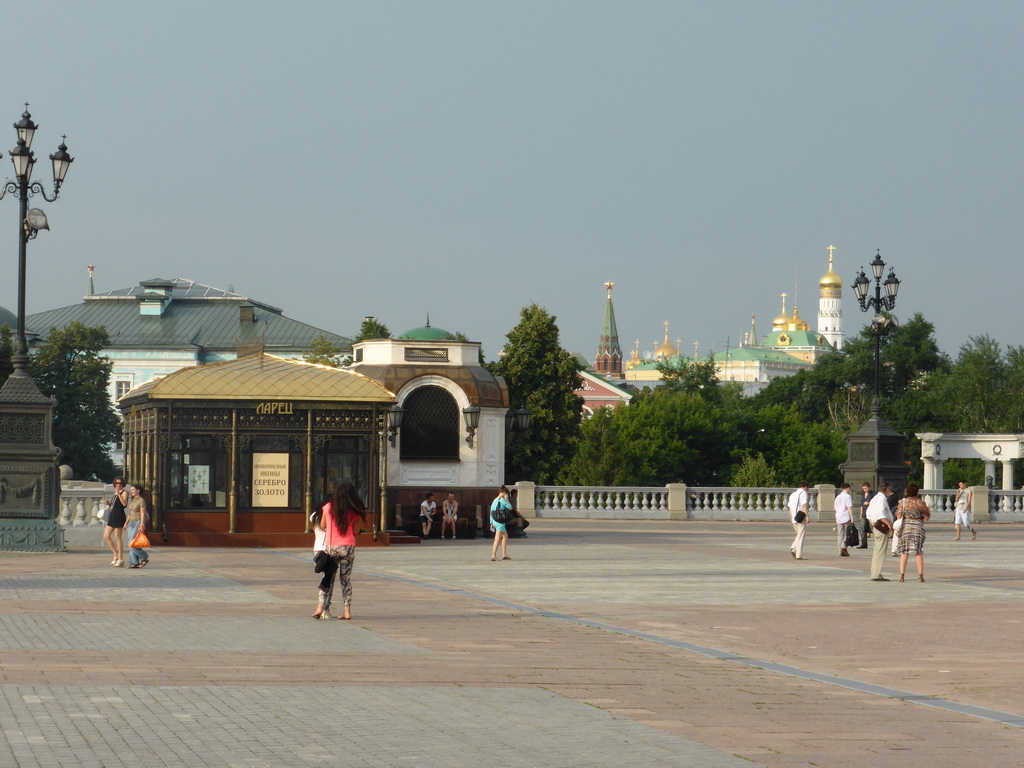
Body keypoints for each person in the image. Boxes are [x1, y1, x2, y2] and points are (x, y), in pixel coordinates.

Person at [317, 482, 368, 620]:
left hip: (331, 547)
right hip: (348, 547)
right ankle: (347, 611)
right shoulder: (354, 511)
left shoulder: (328, 507)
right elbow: (356, 531)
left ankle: (320, 607)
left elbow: (322, 525)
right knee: (345, 580)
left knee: (327, 578)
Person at [896, 482, 931, 583]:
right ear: (917, 492)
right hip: (917, 527)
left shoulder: (903, 502)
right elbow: (927, 516)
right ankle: (920, 575)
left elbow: (898, 515)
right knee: (918, 552)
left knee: (904, 552)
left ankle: (901, 575)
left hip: (906, 527)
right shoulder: (920, 503)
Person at [310, 503, 338, 619]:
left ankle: (323, 607)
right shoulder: (332, 514)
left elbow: (314, 529)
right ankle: (325, 608)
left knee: (325, 578)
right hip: (328, 550)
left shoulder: (313, 516)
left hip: (317, 551)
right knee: (328, 580)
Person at [865, 482, 894, 581]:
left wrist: (872, 523)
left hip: (876, 527)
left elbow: (868, 513)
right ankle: (876, 574)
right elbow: (881, 514)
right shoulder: (881, 499)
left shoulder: (874, 498)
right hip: (882, 527)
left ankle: (875, 572)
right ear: (887, 490)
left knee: (877, 550)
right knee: (880, 551)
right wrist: (889, 525)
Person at [103, 477, 129, 568]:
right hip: (113, 514)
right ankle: (116, 554)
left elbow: (124, 504)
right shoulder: (115, 492)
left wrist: (118, 494)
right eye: (117, 483)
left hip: (119, 515)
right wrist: (108, 503)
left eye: (120, 483)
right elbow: (114, 505)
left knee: (117, 537)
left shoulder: (124, 492)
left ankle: (121, 558)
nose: (118, 485)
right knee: (106, 536)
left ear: (123, 484)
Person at [125, 483, 150, 570]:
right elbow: (130, 513)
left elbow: (142, 513)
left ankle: (144, 556)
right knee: (131, 543)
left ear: (138, 490)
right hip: (131, 523)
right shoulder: (133, 500)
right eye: (131, 490)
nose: (131, 492)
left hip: (138, 522)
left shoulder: (141, 500)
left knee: (132, 544)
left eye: (133, 490)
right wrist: (125, 523)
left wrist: (142, 524)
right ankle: (134, 563)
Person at [787, 481, 810, 560]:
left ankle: (794, 549)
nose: (808, 489)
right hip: (801, 517)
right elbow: (803, 506)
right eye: (808, 488)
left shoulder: (793, 494)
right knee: (801, 536)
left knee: (799, 535)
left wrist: (791, 519)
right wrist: (807, 517)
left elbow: (789, 508)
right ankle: (797, 553)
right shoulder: (803, 493)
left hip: (794, 518)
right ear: (805, 487)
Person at [489, 485, 513, 562]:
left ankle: (504, 554)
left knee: (505, 536)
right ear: (504, 493)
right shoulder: (502, 500)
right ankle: (493, 555)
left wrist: (491, 522)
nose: (507, 495)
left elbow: (491, 512)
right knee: (497, 538)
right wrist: (506, 499)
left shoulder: (495, 500)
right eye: (506, 494)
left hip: (495, 520)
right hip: (500, 521)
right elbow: (510, 507)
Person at [834, 483, 854, 556]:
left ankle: (840, 550)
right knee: (848, 533)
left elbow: (834, 508)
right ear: (847, 488)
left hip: (838, 517)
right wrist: (852, 517)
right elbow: (849, 507)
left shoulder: (838, 497)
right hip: (846, 516)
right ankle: (843, 546)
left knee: (840, 534)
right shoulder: (848, 496)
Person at [857, 482, 875, 548]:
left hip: (871, 513)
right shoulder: (862, 495)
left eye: (866, 488)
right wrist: (861, 514)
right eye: (864, 489)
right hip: (864, 514)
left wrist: (869, 503)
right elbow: (861, 505)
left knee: (873, 528)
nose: (865, 490)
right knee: (862, 528)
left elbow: (876, 502)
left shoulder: (873, 494)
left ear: (869, 487)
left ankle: (877, 542)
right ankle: (864, 543)